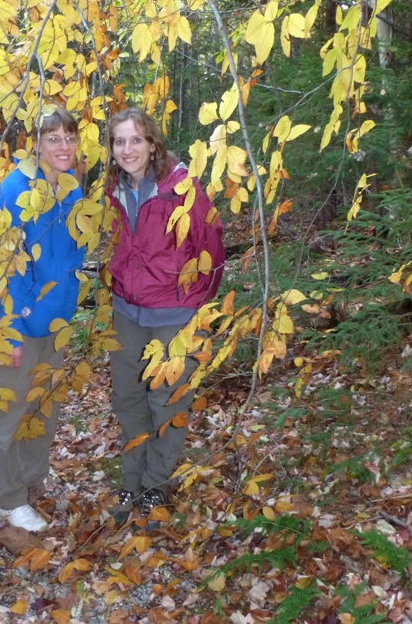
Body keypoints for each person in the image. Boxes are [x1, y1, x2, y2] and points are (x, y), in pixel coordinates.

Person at [105, 107, 225, 526]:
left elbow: (213, 251)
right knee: (129, 401)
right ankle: (130, 483)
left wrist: (192, 305)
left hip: (174, 316)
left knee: (167, 404)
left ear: (152, 142)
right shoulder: (113, 190)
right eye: (119, 141)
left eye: (136, 139)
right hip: (126, 314)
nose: (128, 149)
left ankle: (155, 486)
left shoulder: (182, 189)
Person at [0, 107, 84, 532]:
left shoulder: (71, 190)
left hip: (55, 325)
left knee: (44, 413)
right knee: (9, 414)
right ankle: (8, 499)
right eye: (54, 138)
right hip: (18, 326)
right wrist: (9, 331)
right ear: (36, 143)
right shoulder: (14, 189)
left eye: (70, 137)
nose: (64, 146)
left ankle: (30, 484)